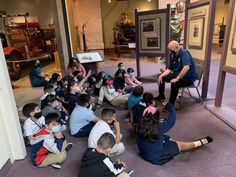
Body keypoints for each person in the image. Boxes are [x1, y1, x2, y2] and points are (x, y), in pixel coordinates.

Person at [136, 101, 213, 165]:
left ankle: (171, 152)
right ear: (156, 118)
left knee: (166, 139)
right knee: (181, 145)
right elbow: (172, 119)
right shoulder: (160, 127)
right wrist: (169, 105)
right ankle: (200, 142)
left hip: (144, 154)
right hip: (156, 155)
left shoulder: (139, 125)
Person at [156, 41, 196, 106]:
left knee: (175, 82)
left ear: (177, 47)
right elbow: (169, 69)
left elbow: (186, 67)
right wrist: (161, 75)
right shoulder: (174, 54)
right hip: (177, 75)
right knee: (160, 76)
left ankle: (171, 104)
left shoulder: (184, 53)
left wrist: (177, 78)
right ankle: (161, 96)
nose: (170, 51)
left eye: (171, 49)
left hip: (188, 78)